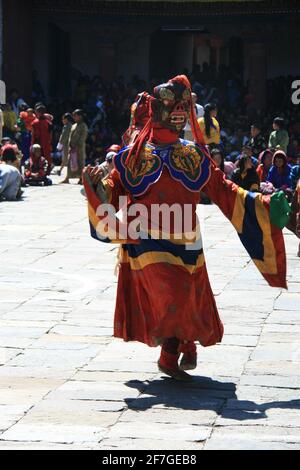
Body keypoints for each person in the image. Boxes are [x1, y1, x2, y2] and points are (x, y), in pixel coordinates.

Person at [83, 75, 287, 382]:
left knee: (189, 300)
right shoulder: (132, 156)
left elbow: (223, 189)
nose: (178, 111)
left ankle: (184, 342)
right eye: (172, 105)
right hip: (147, 241)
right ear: (156, 109)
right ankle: (169, 355)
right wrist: (98, 187)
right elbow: (114, 190)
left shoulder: (194, 153)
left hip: (188, 242)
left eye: (183, 105)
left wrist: (264, 205)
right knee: (173, 297)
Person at [60, 109, 88, 185]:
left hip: (79, 149)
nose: (74, 117)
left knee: (80, 163)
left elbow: (83, 137)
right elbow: (70, 137)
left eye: (75, 116)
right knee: (69, 163)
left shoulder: (83, 126)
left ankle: (81, 179)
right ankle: (67, 178)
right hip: (71, 148)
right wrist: (70, 146)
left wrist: (76, 144)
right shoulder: (74, 125)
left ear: (80, 116)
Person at [31, 104, 53, 175]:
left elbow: (35, 134)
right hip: (46, 142)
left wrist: (33, 143)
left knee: (37, 156)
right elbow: (50, 133)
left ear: (38, 112)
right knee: (47, 156)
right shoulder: (48, 122)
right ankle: (47, 170)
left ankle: (38, 170)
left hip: (38, 142)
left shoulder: (35, 122)